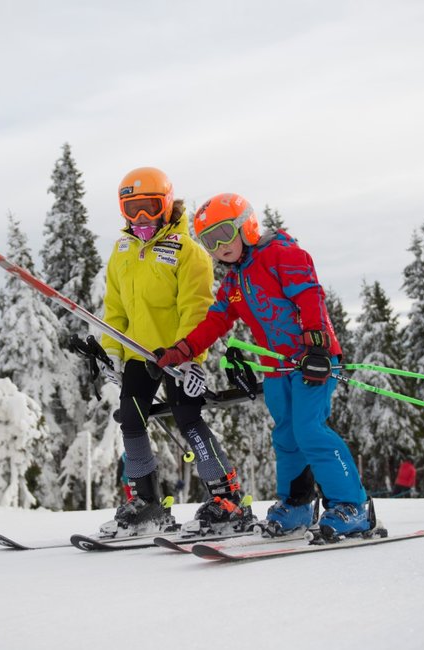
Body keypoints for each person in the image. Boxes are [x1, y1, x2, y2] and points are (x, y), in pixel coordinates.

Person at [155, 193, 376, 540]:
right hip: (276, 368)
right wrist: (182, 349)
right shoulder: (232, 282)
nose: (219, 246)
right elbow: (215, 321)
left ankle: (352, 505)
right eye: (209, 241)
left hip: (311, 361)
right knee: (286, 437)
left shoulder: (283, 255)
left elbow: (310, 296)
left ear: (247, 226)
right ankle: (297, 504)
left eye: (224, 234)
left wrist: (316, 345)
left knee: (309, 430)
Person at [100, 168, 257, 538]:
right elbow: (114, 310)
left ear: (166, 205)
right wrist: (111, 352)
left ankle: (227, 497)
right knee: (132, 420)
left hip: (176, 358)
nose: (140, 218)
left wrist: (191, 359)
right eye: (132, 208)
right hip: (139, 357)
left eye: (149, 207)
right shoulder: (121, 252)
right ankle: (147, 504)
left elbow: (197, 310)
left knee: (188, 419)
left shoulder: (189, 252)